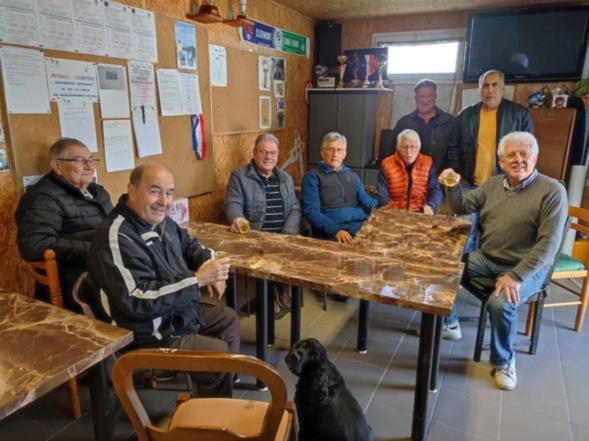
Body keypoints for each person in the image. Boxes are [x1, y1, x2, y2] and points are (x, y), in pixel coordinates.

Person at [87, 164, 240, 398]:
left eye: (169, 193)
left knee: (228, 319)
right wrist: (198, 279)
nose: (164, 201)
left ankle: (221, 382)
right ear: (132, 190)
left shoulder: (161, 222)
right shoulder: (115, 238)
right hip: (144, 336)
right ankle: (213, 414)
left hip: (173, 314)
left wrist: (213, 266)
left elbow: (191, 246)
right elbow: (137, 300)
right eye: (155, 191)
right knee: (216, 354)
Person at [439, 132, 567, 390]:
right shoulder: (492, 185)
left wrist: (516, 276)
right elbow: (460, 207)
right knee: (443, 269)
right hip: (487, 258)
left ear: (535, 157)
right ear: (501, 161)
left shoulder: (552, 191)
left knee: (500, 303)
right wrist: (451, 187)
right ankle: (450, 323)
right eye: (511, 155)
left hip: (526, 267)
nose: (518, 159)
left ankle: (503, 361)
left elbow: (549, 245)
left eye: (524, 154)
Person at [15, 138, 112, 312]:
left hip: (104, 268)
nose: (89, 167)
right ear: (57, 166)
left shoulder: (97, 192)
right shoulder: (42, 198)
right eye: (79, 161)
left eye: (90, 160)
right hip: (76, 282)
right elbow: (33, 245)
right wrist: (95, 250)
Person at [446, 70, 534, 253]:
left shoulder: (519, 114)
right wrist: (459, 175)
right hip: (470, 186)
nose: (490, 90)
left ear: (502, 88)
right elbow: (452, 147)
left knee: (496, 236)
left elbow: (528, 152)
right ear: (480, 88)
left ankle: (487, 273)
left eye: (495, 85)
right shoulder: (465, 116)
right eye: (485, 85)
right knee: (463, 235)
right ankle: (463, 277)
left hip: (503, 189)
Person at [224, 134, 301, 316]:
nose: (268, 157)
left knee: (293, 251)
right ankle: (270, 294)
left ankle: (280, 288)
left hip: (283, 235)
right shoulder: (240, 176)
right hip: (255, 236)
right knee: (266, 255)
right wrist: (237, 218)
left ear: (278, 155)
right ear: (254, 153)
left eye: (273, 152)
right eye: (263, 152)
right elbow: (232, 203)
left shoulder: (285, 178)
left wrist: (288, 234)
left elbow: (295, 209)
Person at [301, 132, 377, 302]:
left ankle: (362, 281)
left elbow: (366, 201)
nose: (335, 154)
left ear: (345, 153)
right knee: (344, 249)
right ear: (322, 152)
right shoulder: (312, 177)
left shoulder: (353, 176)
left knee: (379, 243)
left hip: (357, 224)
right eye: (331, 149)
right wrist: (336, 230)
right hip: (331, 228)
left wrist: (381, 209)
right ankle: (342, 285)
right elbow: (311, 212)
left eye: (339, 150)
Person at [383, 79, 455, 172]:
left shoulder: (449, 122)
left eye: (429, 95)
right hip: (409, 179)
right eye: (421, 96)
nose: (425, 100)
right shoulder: (404, 122)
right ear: (415, 98)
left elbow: (455, 153)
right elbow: (392, 152)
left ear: (435, 96)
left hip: (440, 179)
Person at [377, 129, 442, 215]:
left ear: (419, 148)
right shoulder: (386, 164)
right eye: (405, 147)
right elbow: (382, 195)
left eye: (412, 147)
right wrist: (389, 211)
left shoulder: (428, 163)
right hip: (394, 213)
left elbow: (435, 190)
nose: (408, 152)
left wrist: (431, 205)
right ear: (398, 148)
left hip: (421, 213)